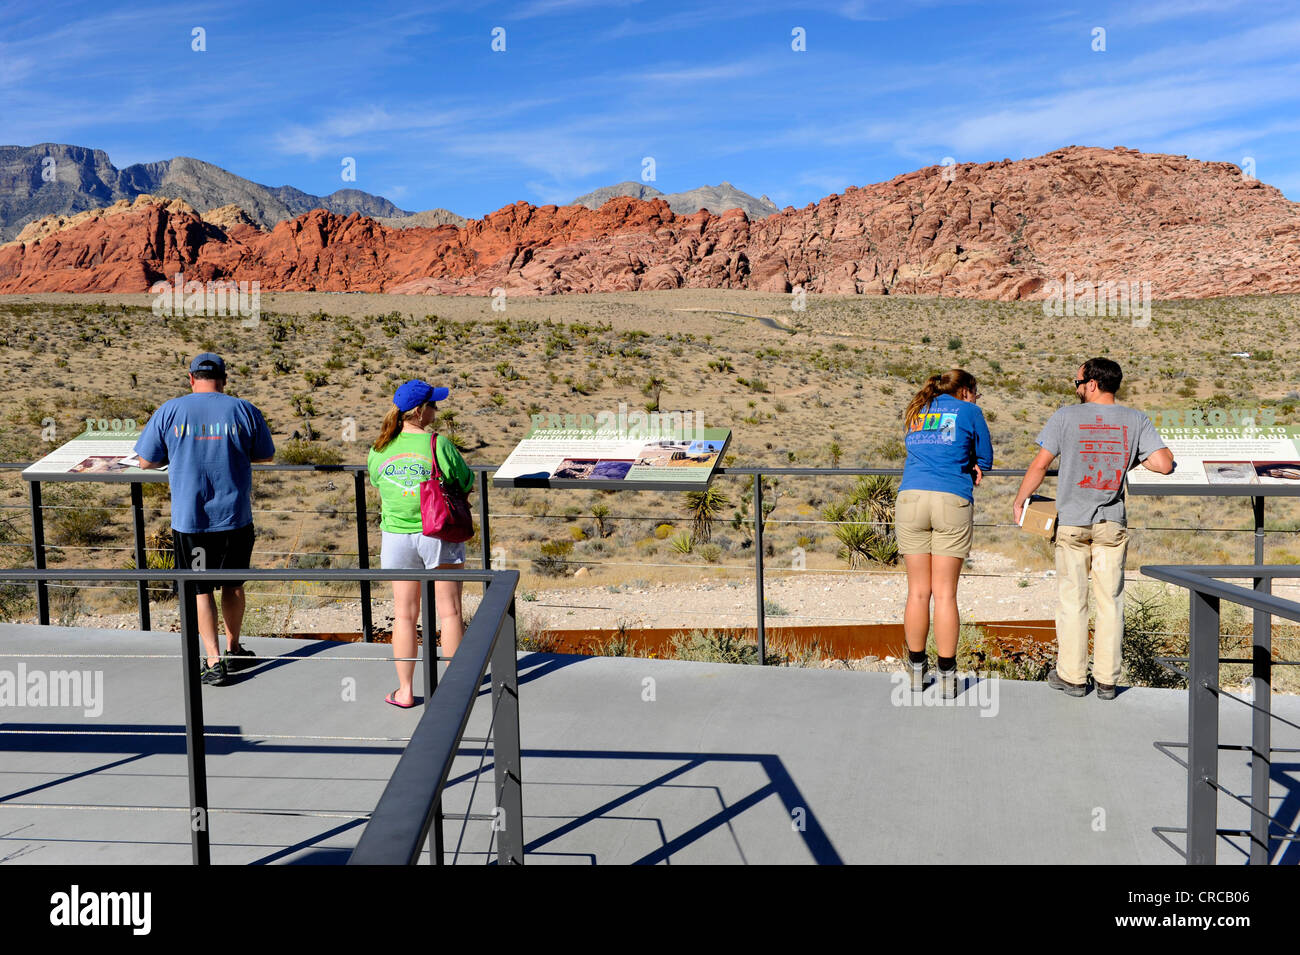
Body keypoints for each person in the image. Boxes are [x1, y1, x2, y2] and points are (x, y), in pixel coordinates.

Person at [1013, 358, 1174, 700]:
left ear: (1092, 384)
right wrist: (1135, 455)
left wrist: (1020, 500)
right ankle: (1106, 681)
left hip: (1072, 522)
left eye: (1077, 383)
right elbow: (1163, 463)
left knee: (1072, 600)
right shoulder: (1135, 419)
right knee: (1110, 602)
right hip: (1110, 524)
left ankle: (1072, 677)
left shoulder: (1066, 416)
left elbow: (1040, 464)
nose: (1076, 389)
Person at [135, 353, 275, 686]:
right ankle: (234, 647)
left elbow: (145, 461)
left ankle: (213, 661)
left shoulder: (170, 410)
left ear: (190, 377)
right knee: (234, 584)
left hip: (191, 520)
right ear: (224, 379)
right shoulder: (243, 409)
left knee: (200, 590)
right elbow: (266, 454)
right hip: (235, 517)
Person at [367, 380, 474, 708]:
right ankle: (455, 691)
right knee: (449, 611)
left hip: (396, 537)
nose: (436, 410)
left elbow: (376, 480)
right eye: (433, 405)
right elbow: (465, 479)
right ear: (419, 411)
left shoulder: (379, 448)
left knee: (403, 615)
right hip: (437, 533)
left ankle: (405, 690)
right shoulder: (437, 444)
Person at [896, 369, 993, 698]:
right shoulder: (970, 411)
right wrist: (973, 465)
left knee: (918, 593)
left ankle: (914, 671)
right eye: (975, 392)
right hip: (951, 498)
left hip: (910, 498)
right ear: (965, 390)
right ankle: (948, 677)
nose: (976, 398)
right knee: (946, 595)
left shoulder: (918, 409)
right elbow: (986, 458)